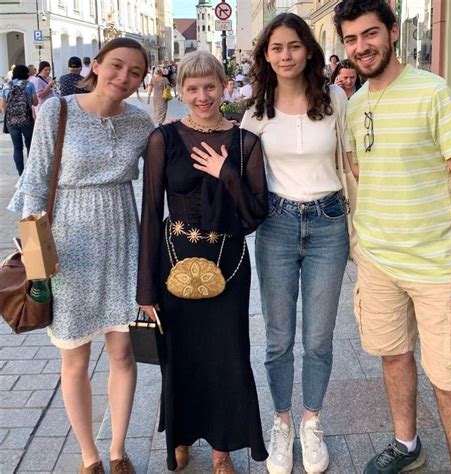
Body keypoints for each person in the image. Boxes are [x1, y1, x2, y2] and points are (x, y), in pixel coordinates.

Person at [333, 1, 451, 473]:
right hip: (377, 261)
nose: (361, 47)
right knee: (393, 357)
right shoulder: (355, 105)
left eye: (369, 34)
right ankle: (406, 444)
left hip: (439, 266)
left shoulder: (435, 94)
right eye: (351, 39)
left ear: (392, 32)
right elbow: (363, 170)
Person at [9, 38, 154, 474]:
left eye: (134, 72)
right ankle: (89, 454)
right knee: (74, 355)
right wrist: (34, 250)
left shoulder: (140, 123)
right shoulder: (59, 109)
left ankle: (118, 448)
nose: (123, 77)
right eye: (116, 66)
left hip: (122, 238)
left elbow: (166, 175)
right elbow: (34, 180)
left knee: (124, 351)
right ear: (97, 65)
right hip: (67, 244)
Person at [137, 50, 268, 474]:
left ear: (224, 85)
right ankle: (179, 435)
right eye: (192, 88)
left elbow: (255, 213)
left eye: (210, 86)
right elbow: (151, 212)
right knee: (181, 356)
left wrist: (225, 172)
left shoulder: (246, 143)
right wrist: (145, 288)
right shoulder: (164, 139)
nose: (202, 96)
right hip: (174, 262)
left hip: (228, 264)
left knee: (226, 355)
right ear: (181, 90)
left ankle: (221, 446)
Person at [241, 13, 351, 474]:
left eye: (293, 46)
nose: (285, 55)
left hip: (329, 224)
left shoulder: (336, 98)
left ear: (308, 50)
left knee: (320, 338)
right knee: (279, 338)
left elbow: (350, 160)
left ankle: (312, 421)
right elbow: (241, 178)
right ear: (266, 56)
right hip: (277, 227)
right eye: (276, 48)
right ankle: (282, 421)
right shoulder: (255, 112)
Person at [1, 65, 38, 175]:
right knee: (30, 145)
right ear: (25, 74)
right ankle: (30, 172)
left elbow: (2, 106)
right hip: (26, 120)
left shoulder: (6, 86)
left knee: (17, 148)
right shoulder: (29, 85)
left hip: (11, 121)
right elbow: (35, 102)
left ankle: (21, 174)